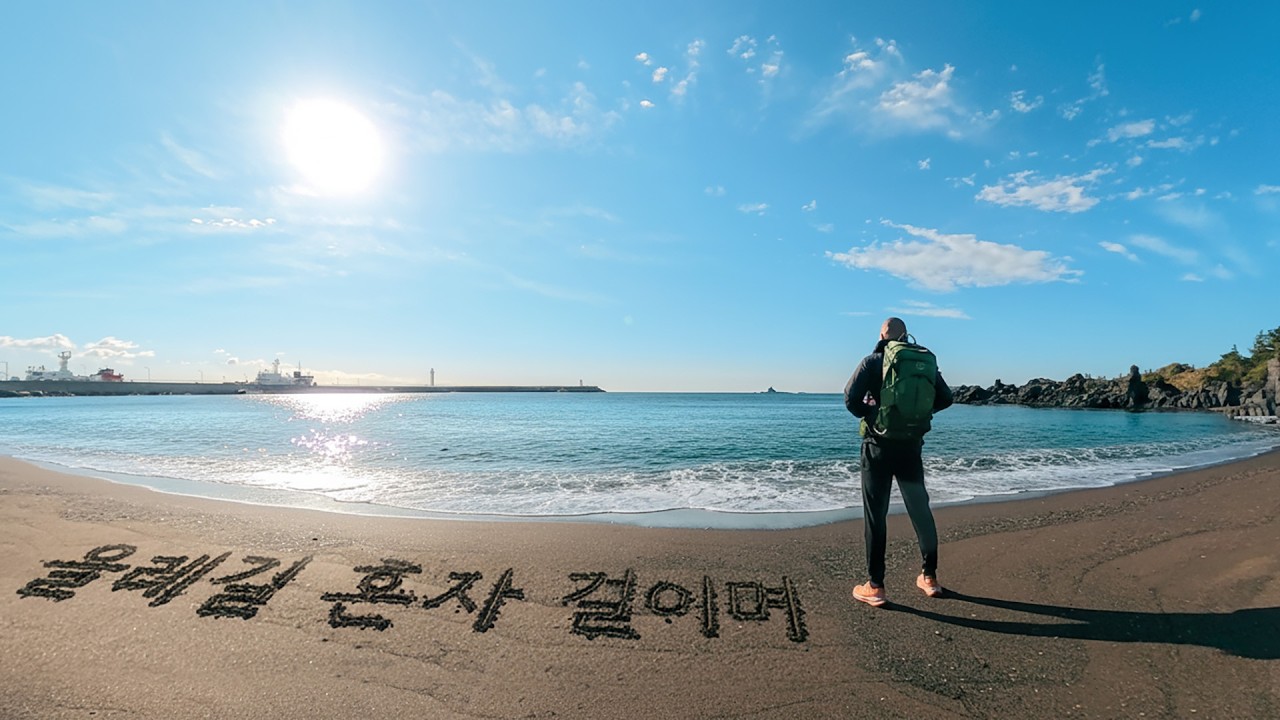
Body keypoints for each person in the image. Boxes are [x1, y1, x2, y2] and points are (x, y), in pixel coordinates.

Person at [843, 317, 953, 607]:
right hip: (910, 447)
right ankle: (930, 578)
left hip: (877, 447)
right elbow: (946, 398)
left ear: (882, 336)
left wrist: (873, 413)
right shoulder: (923, 362)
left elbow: (850, 399)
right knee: (920, 509)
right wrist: (916, 415)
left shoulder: (872, 362)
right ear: (906, 336)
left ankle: (875, 586)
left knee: (876, 515)